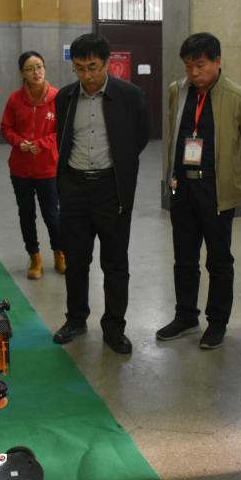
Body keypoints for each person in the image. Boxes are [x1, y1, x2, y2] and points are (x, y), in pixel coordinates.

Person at [156, 32, 241, 349]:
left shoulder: (238, 97)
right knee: (184, 258)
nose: (194, 73)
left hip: (216, 190)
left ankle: (217, 322)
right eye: (188, 66)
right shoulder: (177, 91)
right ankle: (186, 315)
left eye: (200, 65)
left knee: (219, 260)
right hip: (182, 188)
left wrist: (230, 165)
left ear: (217, 61)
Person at [51, 33, 149, 355]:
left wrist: (117, 168)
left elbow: (139, 138)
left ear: (107, 63)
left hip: (112, 190)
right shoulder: (65, 98)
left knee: (115, 264)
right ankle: (76, 320)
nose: (86, 75)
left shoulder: (130, 95)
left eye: (92, 67)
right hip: (75, 189)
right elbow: (63, 139)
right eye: (79, 68)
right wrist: (67, 185)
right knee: (76, 261)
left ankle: (114, 328)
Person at [0, 51, 65, 279]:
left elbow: (62, 131)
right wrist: (20, 143)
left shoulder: (58, 97)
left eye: (39, 66)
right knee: (26, 214)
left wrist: (40, 144)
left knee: (52, 215)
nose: (36, 72)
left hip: (48, 168)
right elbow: (6, 128)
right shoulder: (14, 100)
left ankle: (59, 253)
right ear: (22, 73)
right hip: (20, 169)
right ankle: (35, 257)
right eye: (30, 68)